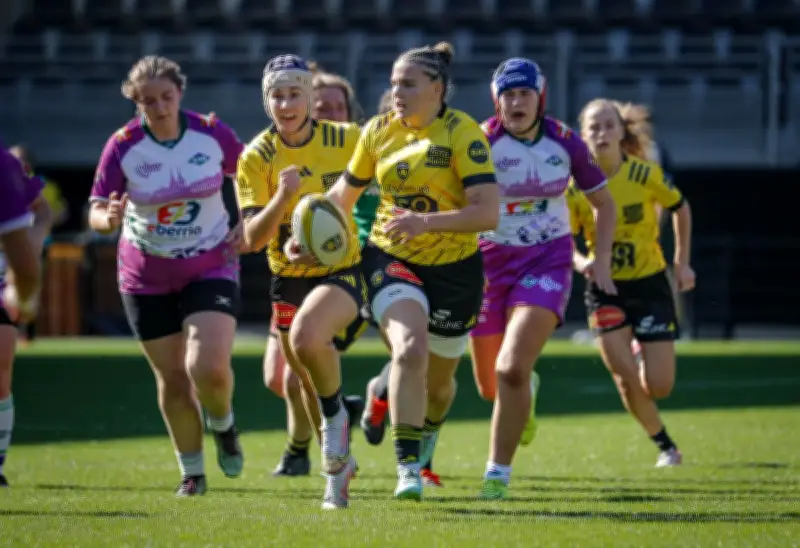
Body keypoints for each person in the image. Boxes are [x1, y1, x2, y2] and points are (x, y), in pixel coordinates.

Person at [325, 42, 500, 501]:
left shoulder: (464, 134)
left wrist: (425, 222)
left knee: (440, 389)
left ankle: (422, 441)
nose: (396, 91)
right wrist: (307, 231)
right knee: (408, 349)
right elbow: (341, 197)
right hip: (390, 258)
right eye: (393, 83)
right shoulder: (377, 132)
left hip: (456, 270)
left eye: (408, 83)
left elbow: (487, 214)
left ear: (437, 88)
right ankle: (407, 469)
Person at [87, 55, 246, 497]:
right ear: (136, 102)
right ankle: (192, 473)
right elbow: (97, 209)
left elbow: (251, 176)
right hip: (144, 273)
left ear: (180, 93)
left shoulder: (212, 133)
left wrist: (249, 217)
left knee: (208, 367)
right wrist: (109, 218)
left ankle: (224, 424)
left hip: (211, 261)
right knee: (173, 377)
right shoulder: (122, 145)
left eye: (166, 97)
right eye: (147, 101)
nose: (158, 108)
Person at [470, 59, 617, 500]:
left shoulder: (565, 142)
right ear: (497, 101)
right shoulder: (478, 141)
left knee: (510, 368)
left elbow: (604, 204)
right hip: (487, 266)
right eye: (508, 95)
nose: (516, 102)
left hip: (546, 262)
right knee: (489, 388)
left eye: (525, 94)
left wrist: (600, 259)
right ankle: (524, 389)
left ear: (541, 98)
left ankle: (497, 475)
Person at [236, 54, 364, 509]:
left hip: (343, 269)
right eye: (277, 94)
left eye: (295, 93)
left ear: (311, 97)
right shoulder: (256, 157)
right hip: (288, 277)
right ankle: (338, 468)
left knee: (311, 340)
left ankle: (336, 437)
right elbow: (251, 238)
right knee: (305, 381)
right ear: (266, 100)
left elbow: (390, 161)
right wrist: (285, 198)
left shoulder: (347, 138)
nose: (286, 103)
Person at [569, 98, 695, 468]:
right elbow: (562, 240)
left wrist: (682, 263)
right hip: (604, 288)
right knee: (624, 377)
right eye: (593, 126)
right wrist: (583, 263)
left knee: (659, 386)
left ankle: (642, 350)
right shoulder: (573, 187)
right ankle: (666, 447)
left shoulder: (645, 174)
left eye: (609, 125)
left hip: (649, 283)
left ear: (622, 132)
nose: (601, 132)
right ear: (582, 135)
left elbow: (681, 208)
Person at [357, 88, 444, 488]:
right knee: (412, 352)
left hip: (443, 266)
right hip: (379, 266)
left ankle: (379, 393)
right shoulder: (366, 147)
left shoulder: (443, 150)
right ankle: (416, 467)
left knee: (439, 379)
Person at [0, 145, 51, 487]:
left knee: (1, 370)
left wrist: (33, 239)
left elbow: (43, 211)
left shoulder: (7, 168)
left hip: (3, 283)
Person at [7, 145, 66, 344]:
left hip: (35, 246)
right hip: (6, 247)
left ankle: (25, 330)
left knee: (28, 289)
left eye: (21, 160)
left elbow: (54, 212)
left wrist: (36, 233)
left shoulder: (40, 185)